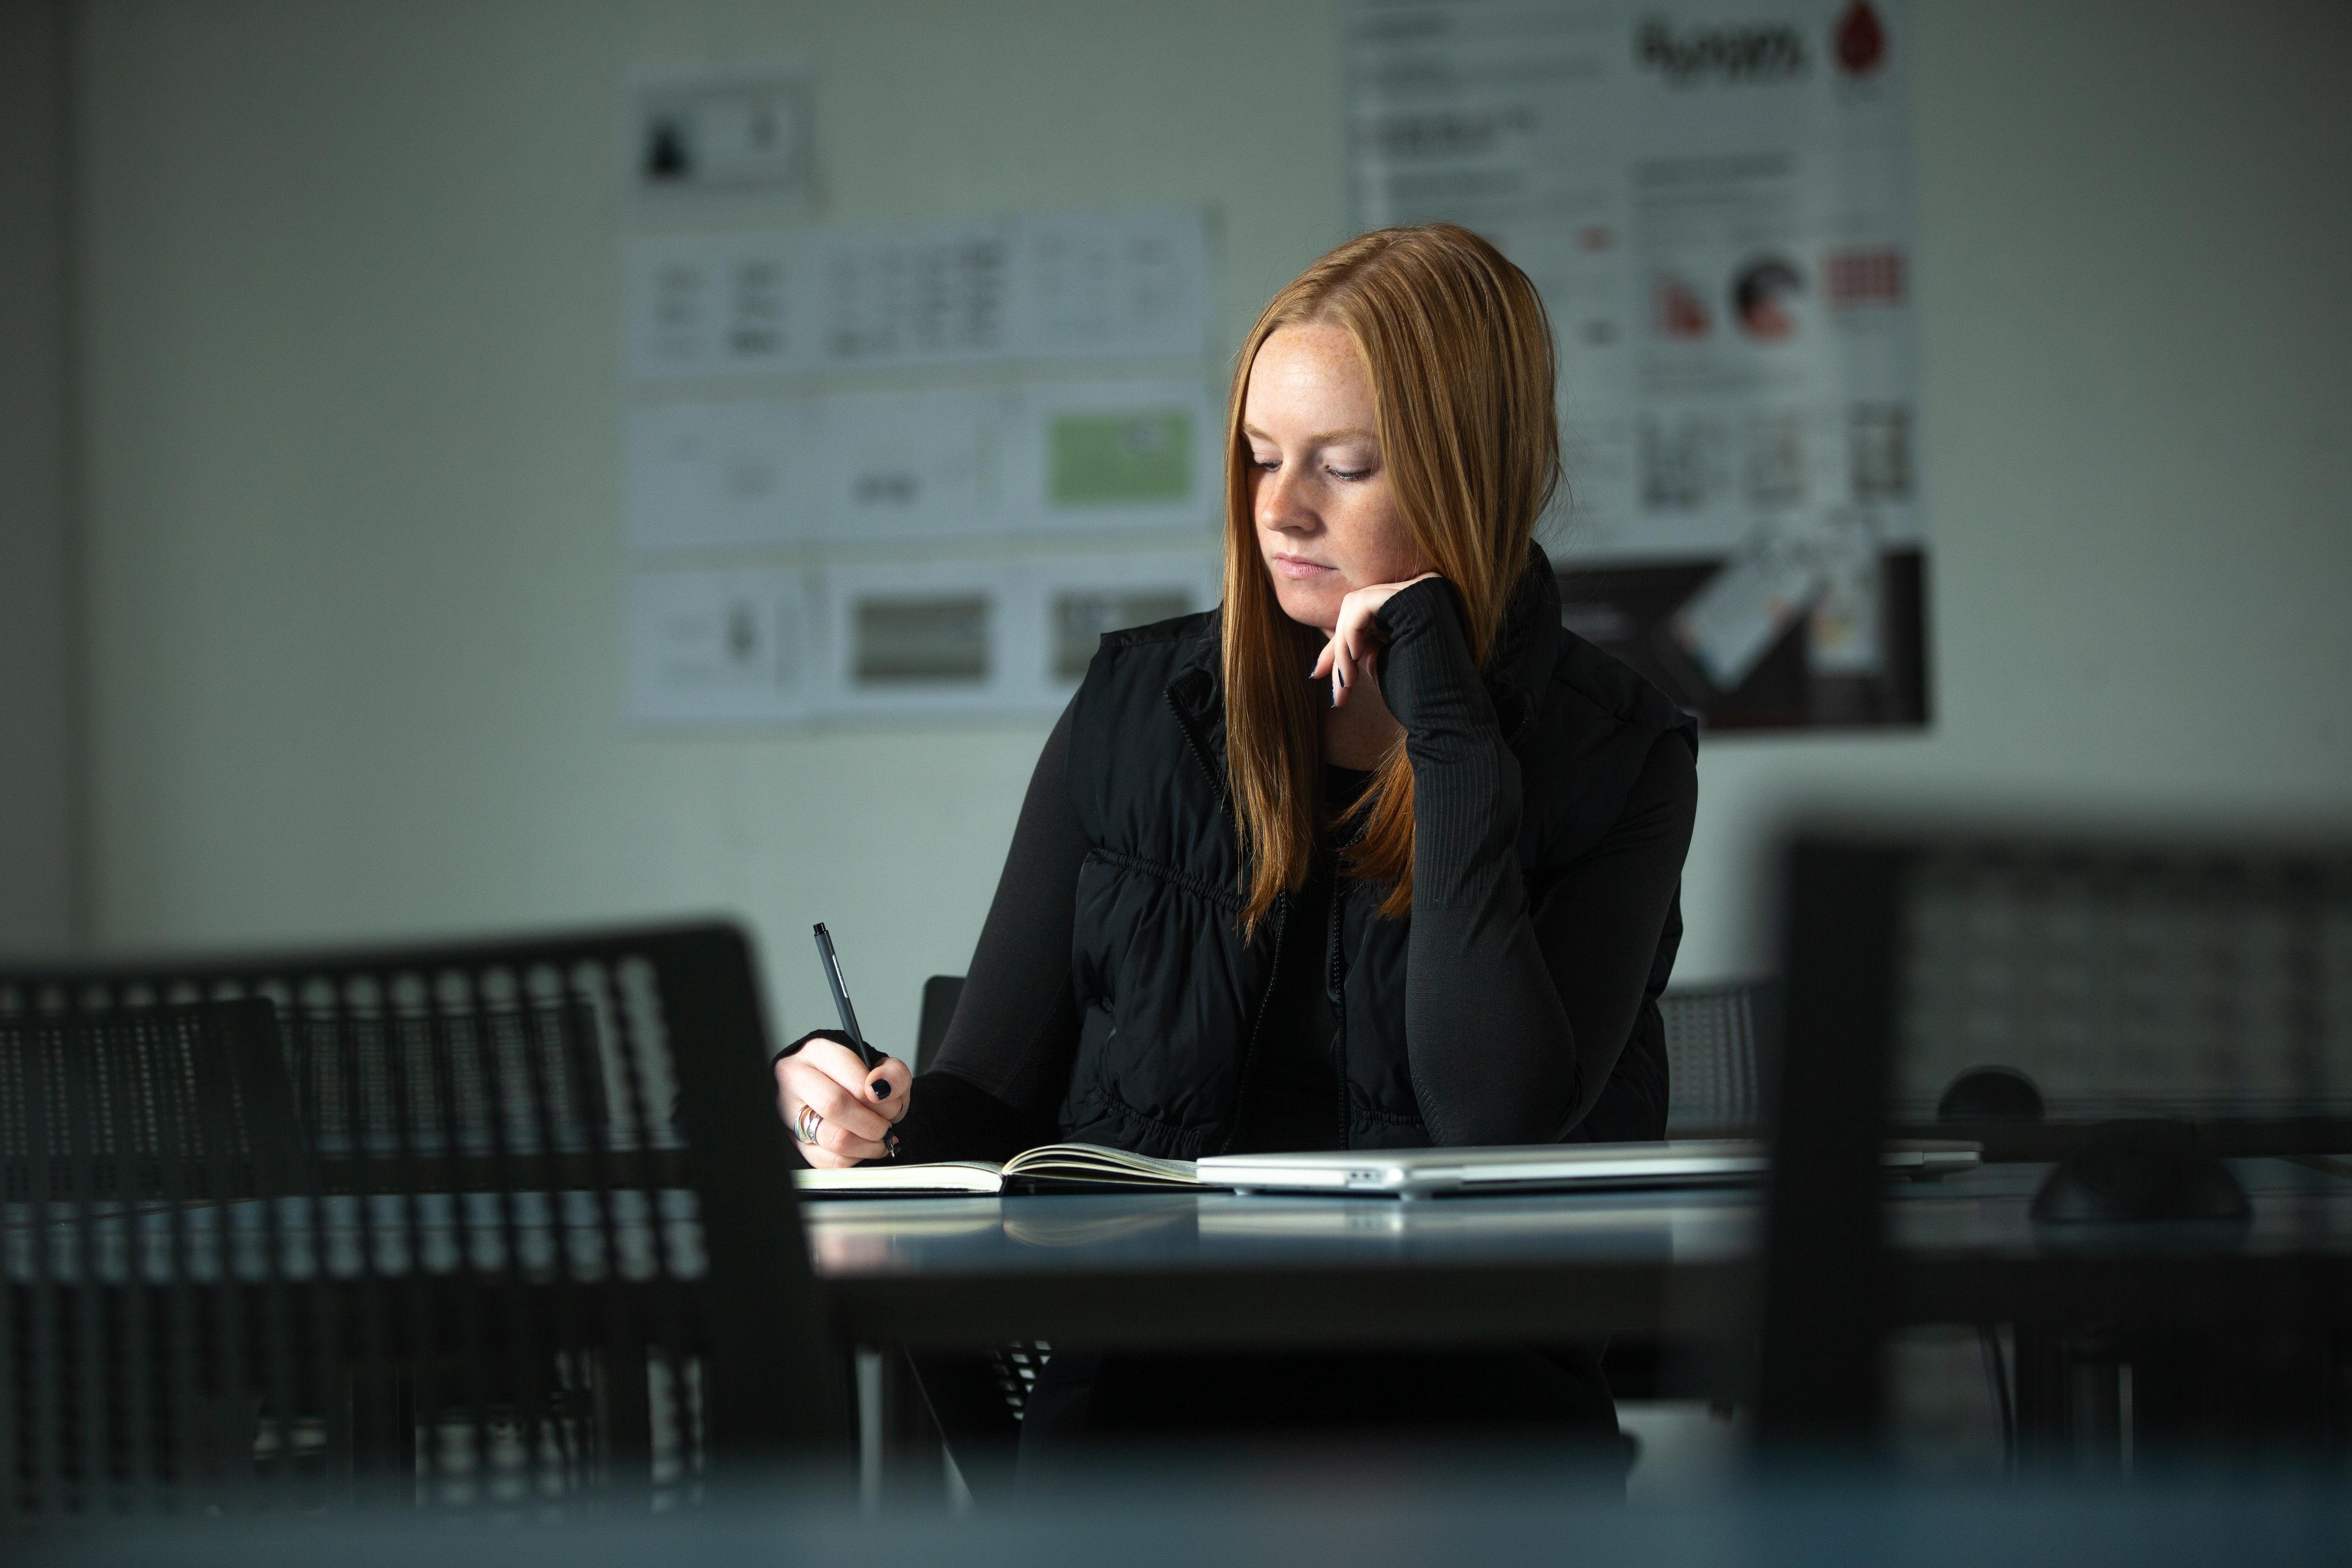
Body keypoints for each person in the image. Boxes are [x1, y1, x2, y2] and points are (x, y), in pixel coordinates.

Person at [774, 224, 1697, 1457]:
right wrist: (854, 1112)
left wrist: (1448, 716)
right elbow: (987, 1098)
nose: (1283, 512)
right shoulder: (1140, 708)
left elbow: (1498, 1120)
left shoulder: (1616, 751)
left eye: (1347, 465)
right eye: (1260, 459)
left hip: (1467, 1435)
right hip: (1148, 1426)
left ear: (1471, 472)